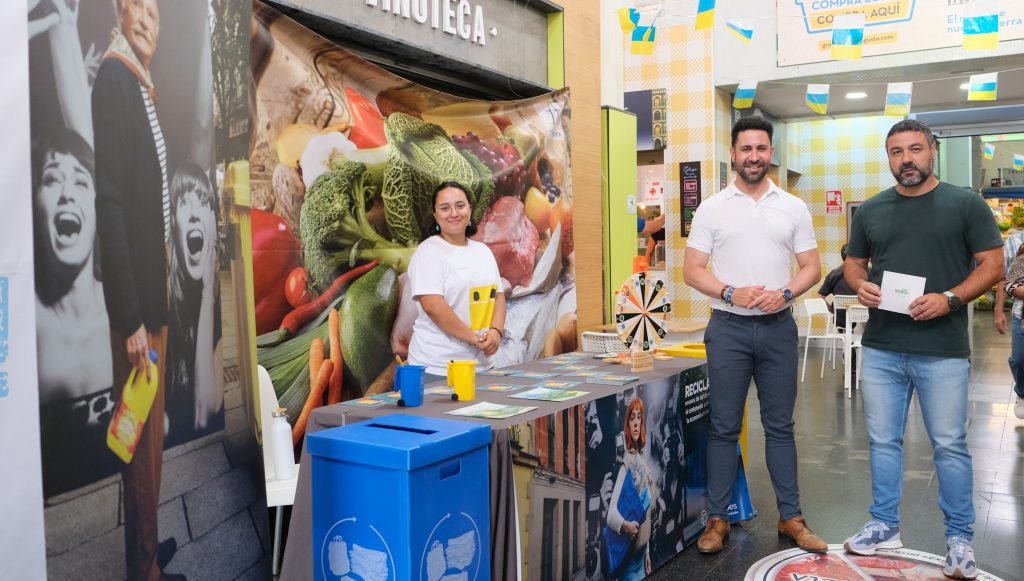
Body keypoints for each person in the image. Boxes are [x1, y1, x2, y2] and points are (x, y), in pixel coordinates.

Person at [842, 119, 1003, 580]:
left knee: (950, 445)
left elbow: (993, 264)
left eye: (915, 149)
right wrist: (861, 285)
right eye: (896, 152)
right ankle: (884, 525)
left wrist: (951, 298)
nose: (906, 159)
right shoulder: (872, 210)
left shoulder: (965, 204)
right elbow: (854, 263)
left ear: (932, 151)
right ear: (888, 157)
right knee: (882, 442)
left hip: (943, 350)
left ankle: (959, 539)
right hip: (882, 347)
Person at [683, 116, 826, 555]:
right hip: (727, 328)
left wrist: (783, 292)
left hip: (778, 328)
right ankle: (717, 518)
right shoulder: (711, 207)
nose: (754, 156)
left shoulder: (793, 207)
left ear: (770, 153)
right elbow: (692, 270)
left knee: (780, 426)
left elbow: (812, 268)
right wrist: (730, 290)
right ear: (733, 153)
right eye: (746, 149)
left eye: (761, 149)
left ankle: (791, 517)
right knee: (724, 427)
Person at [92, 0, 183, 579]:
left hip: (154, 299)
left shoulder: (139, 83)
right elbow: (111, 205)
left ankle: (144, 552)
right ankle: (143, 571)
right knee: (140, 448)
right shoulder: (114, 81)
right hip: (139, 311)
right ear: (119, 16)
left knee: (148, 443)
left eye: (154, 9)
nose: (147, 18)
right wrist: (128, 319)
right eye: (136, 8)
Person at [32, 129, 121, 498]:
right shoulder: (24, 330)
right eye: (52, 179)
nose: (67, 191)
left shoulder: (124, 314)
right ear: (36, 203)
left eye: (81, 181)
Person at [407, 181, 507, 381]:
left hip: (483, 366)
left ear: (470, 209)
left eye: (460, 205)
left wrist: (495, 332)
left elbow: (498, 296)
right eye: (445, 208)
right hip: (437, 370)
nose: (454, 213)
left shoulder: (483, 251)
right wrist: (474, 339)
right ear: (435, 215)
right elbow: (433, 306)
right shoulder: (429, 252)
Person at [164, 163, 224, 447]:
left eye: (203, 202)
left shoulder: (217, 306)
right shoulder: (162, 300)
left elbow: (206, 412)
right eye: (184, 203)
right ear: (173, 221)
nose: (194, 213)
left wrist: (206, 299)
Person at [606, 397, 656, 580]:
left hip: (641, 560)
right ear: (627, 424)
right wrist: (625, 525)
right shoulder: (627, 462)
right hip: (628, 562)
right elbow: (610, 514)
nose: (636, 422)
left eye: (639, 417)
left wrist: (647, 552)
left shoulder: (641, 461)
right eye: (632, 418)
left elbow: (646, 514)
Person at [992, 233, 1024, 420]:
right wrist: (999, 310)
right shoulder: (1016, 241)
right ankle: (1022, 391)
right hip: (1021, 314)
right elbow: (1006, 279)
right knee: (1019, 360)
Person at [818, 243, 856, 328]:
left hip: (840, 321)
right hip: (864, 321)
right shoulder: (868, 273)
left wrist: (833, 310)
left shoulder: (833, 275)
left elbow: (820, 298)